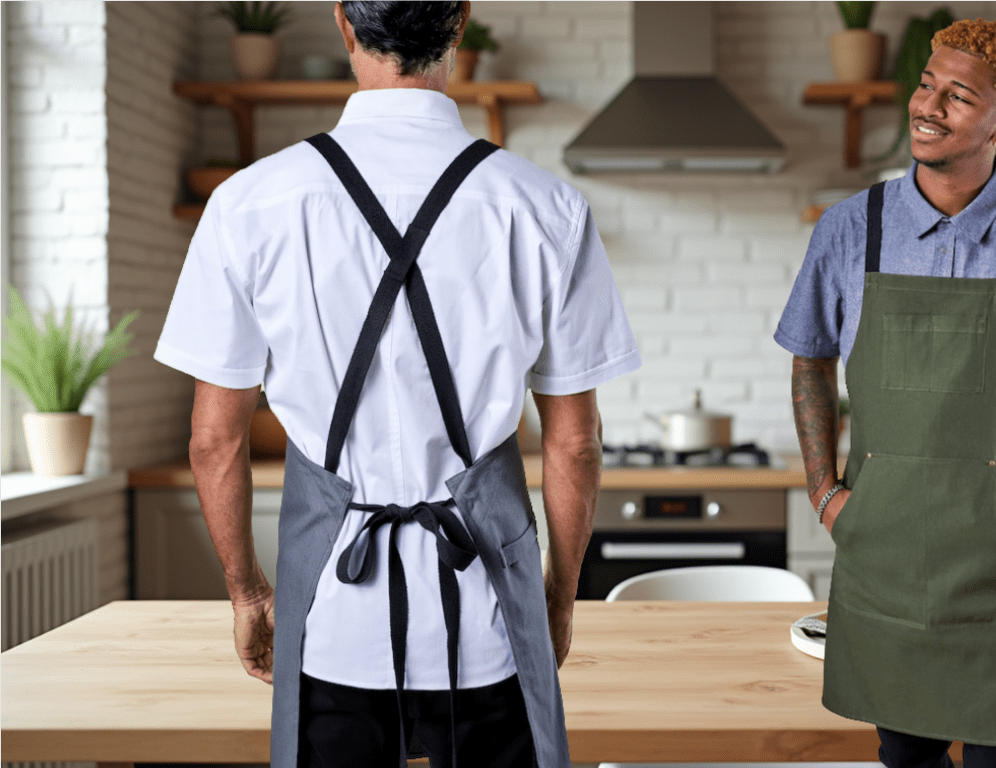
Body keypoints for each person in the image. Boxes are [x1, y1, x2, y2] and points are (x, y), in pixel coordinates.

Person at [154, 2, 640, 766]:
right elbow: (574, 445)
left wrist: (248, 594)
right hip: (491, 629)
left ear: (344, 24)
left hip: (329, 632)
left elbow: (214, 441)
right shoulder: (543, 206)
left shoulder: (251, 203)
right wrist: (557, 595)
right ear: (461, 22)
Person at [774, 18, 996, 768]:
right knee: (904, 756)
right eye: (926, 84)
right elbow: (809, 360)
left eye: (958, 96)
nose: (927, 106)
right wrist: (824, 494)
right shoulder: (848, 229)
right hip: (881, 553)